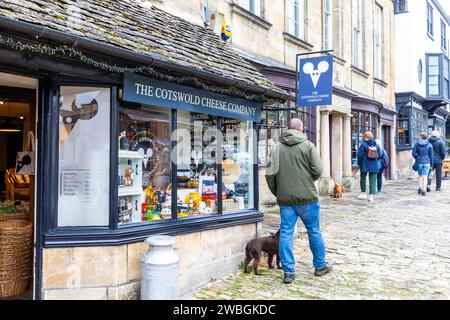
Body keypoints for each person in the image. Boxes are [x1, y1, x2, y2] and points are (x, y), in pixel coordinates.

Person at [265, 118, 332, 284]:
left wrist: (278, 192)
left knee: (286, 234)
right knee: (314, 231)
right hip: (307, 198)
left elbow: (270, 175)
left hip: (286, 200)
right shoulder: (308, 145)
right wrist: (308, 180)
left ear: (288, 129)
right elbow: (318, 170)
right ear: (302, 129)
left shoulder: (276, 148)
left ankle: (288, 272)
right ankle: (320, 266)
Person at [357, 132, 382, 202]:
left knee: (363, 178)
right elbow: (380, 155)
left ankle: (363, 193)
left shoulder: (363, 144)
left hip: (364, 164)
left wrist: (359, 163)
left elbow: (360, 155)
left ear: (365, 137)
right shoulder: (376, 145)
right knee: (373, 180)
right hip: (374, 165)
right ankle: (371, 196)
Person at [412, 132, 434, 196]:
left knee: (420, 176)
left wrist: (417, 157)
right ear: (426, 137)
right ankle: (424, 190)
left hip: (419, 162)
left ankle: (420, 188)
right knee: (425, 176)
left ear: (420, 136)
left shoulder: (416, 144)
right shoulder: (429, 145)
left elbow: (413, 153)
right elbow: (431, 156)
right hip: (427, 162)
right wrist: (431, 165)